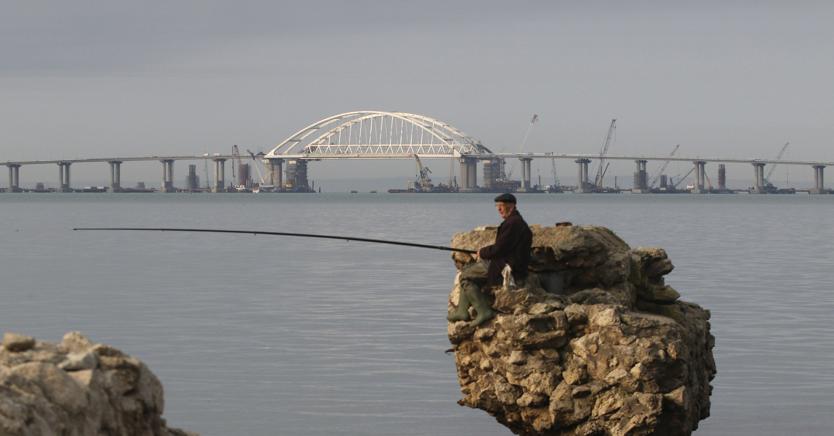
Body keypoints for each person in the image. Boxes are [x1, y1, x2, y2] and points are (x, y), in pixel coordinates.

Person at [447, 193, 533, 326]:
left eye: (501, 206)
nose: (499, 209)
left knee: (465, 277)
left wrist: (482, 252)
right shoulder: (515, 222)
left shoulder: (513, 223)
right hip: (508, 262)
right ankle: (462, 310)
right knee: (467, 270)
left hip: (506, 266)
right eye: (497, 206)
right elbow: (503, 247)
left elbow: (500, 248)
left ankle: (482, 311)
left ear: (511, 206)